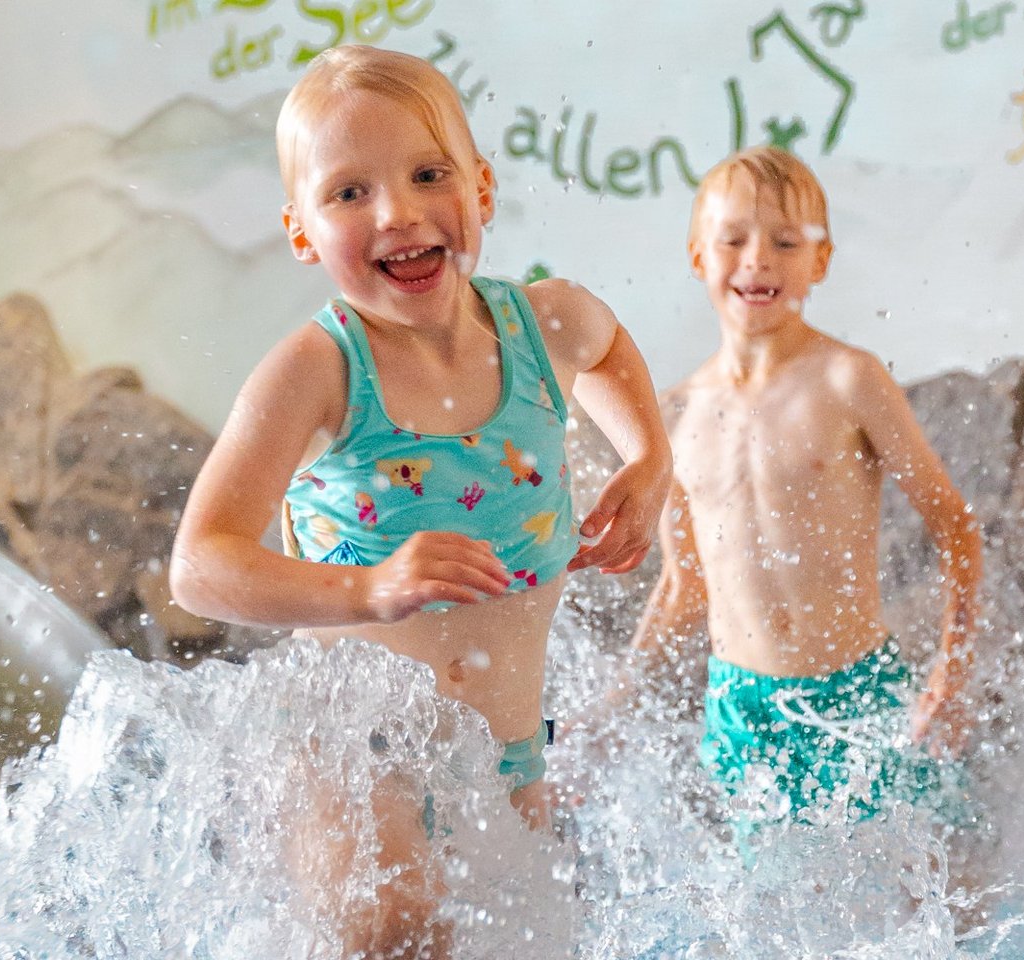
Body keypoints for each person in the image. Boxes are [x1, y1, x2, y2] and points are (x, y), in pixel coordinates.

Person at [169, 45, 671, 956]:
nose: (397, 213)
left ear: (479, 190)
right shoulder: (317, 372)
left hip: (509, 759)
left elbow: (608, 346)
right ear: (302, 232)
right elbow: (200, 564)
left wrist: (649, 457)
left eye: (426, 174)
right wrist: (366, 592)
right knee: (395, 929)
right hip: (348, 759)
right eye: (349, 193)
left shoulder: (545, 325)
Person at [627, 146, 982, 836]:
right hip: (740, 707)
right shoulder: (678, 415)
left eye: (785, 242)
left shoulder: (849, 381)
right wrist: (609, 704)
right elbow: (683, 587)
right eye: (733, 239)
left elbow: (953, 524)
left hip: (857, 692)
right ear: (699, 256)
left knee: (912, 890)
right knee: (770, 909)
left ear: (819, 262)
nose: (758, 259)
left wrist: (951, 672)